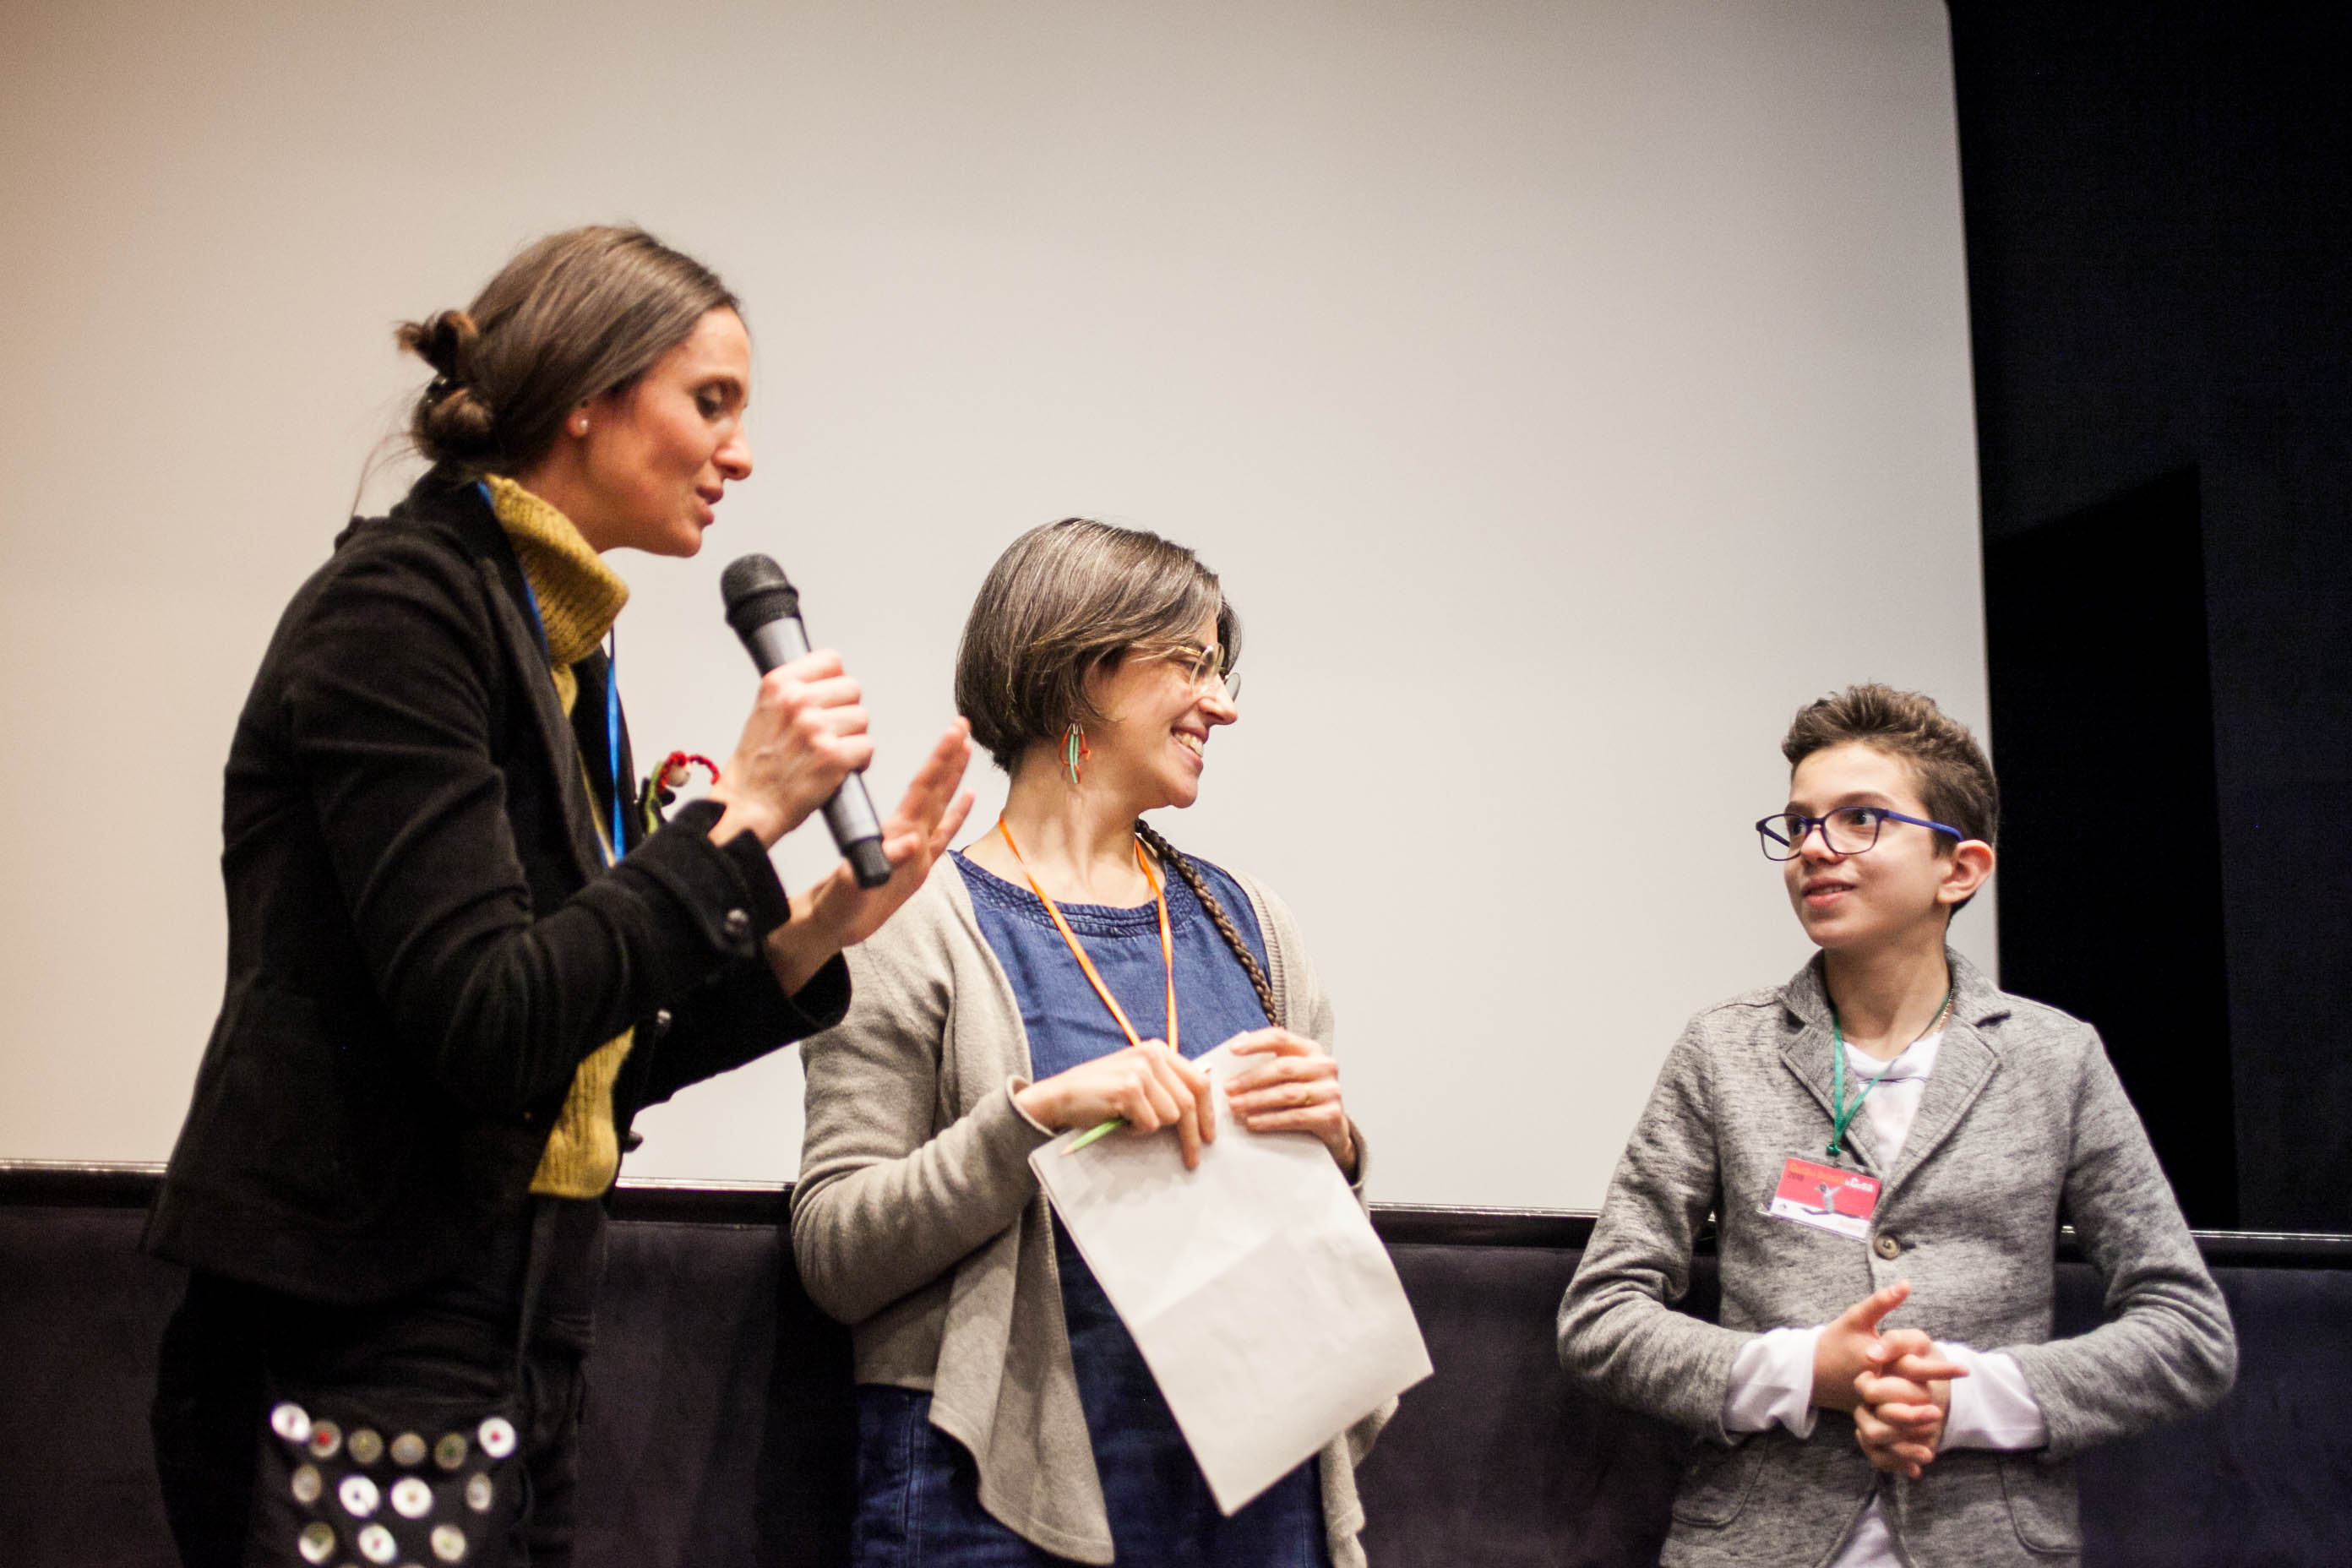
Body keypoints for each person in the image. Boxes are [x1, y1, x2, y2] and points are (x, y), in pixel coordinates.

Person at [143, 226, 973, 1568]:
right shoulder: (401, 612)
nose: (741, 454)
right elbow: (487, 1021)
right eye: (711, 401)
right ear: (588, 396)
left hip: (525, 1315)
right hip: (365, 1322)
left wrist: (811, 931)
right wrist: (738, 819)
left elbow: (584, 1057)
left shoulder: (558, 649)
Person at [791, 518, 1384, 1568]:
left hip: (1255, 1507)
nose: (1224, 703)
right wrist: (1032, 1118)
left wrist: (1337, 1149)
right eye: (1192, 663)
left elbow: (1322, 1246)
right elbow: (835, 1252)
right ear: (1081, 666)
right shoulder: (915, 921)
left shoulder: (1257, 928)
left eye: (1223, 669)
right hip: (990, 1505)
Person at [1556, 683, 2236, 1566]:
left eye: (1859, 819)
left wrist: (1967, 1397)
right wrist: (1805, 1372)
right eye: (1799, 824)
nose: (1813, 847)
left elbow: (2188, 1331)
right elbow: (1602, 1317)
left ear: (1961, 868)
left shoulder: (2055, 1057)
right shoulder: (1724, 1049)